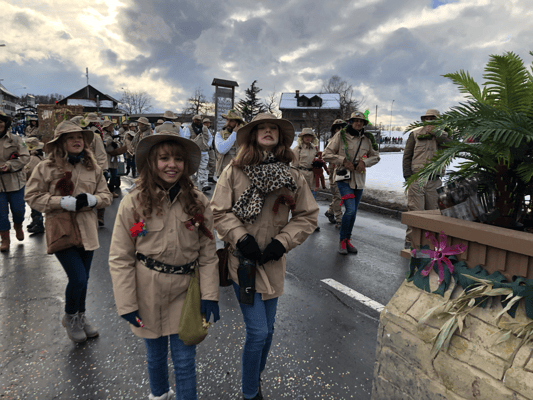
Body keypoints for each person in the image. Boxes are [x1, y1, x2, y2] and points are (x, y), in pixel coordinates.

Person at [210, 113, 318, 400]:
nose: (268, 132)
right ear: (253, 136)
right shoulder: (234, 171)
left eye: (274, 129)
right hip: (242, 264)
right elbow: (218, 211)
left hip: (272, 263)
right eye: (263, 128)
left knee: (268, 333)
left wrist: (283, 242)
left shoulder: (292, 175)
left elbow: (307, 215)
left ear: (280, 138)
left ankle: (254, 375)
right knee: (258, 332)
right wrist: (240, 236)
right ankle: (250, 393)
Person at [108, 133, 220, 400]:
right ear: (151, 162)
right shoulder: (133, 202)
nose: (172, 164)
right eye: (164, 158)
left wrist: (210, 295)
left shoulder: (197, 201)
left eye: (178, 159)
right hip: (148, 292)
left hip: (185, 292)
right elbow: (120, 257)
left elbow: (208, 253)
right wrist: (127, 304)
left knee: (184, 362)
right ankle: (159, 394)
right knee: (155, 356)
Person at [25, 120, 112, 342]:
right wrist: (60, 202)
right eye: (70, 138)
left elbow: (106, 196)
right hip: (61, 229)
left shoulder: (93, 167)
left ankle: (80, 317)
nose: (76, 141)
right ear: (60, 142)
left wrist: (93, 200)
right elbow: (32, 196)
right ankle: (70, 317)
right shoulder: (45, 167)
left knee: (84, 278)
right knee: (78, 278)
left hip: (87, 229)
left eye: (79, 137)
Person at [323, 111, 380, 255]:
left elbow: (376, 156)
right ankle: (342, 241)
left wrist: (364, 162)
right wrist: (343, 160)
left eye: (361, 121)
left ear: (364, 123)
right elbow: (326, 154)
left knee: (353, 212)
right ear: (350, 122)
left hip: (359, 180)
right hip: (343, 179)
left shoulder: (367, 139)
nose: (358, 123)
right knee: (350, 210)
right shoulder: (340, 135)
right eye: (355, 120)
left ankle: (348, 240)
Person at [403, 109, 451, 248]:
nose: (430, 121)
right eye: (427, 118)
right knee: (416, 211)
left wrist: (437, 133)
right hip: (417, 178)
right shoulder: (415, 134)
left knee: (432, 213)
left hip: (434, 180)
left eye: (433, 118)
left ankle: (428, 244)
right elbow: (407, 156)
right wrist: (408, 176)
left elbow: (450, 146)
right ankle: (410, 242)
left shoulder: (444, 135)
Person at [0, 112, 31, 252]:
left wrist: (9, 165)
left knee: (19, 210)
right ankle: (5, 239)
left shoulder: (16, 139)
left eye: (0, 121)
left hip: (15, 182)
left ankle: (18, 226)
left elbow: (25, 157)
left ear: (5, 123)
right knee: (1, 214)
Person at [291, 128, 320, 232]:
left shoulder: (315, 149)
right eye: (306, 136)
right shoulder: (297, 149)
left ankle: (313, 223)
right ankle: (298, 221)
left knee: (313, 201)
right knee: (300, 201)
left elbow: (319, 159)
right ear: (302, 137)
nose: (308, 138)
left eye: (310, 136)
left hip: (312, 176)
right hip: (301, 175)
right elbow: (294, 166)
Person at [324, 119, 346, 229]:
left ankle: (330, 211)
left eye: (343, 127)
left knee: (341, 195)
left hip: (346, 171)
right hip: (334, 170)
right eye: (338, 128)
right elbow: (326, 156)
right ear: (334, 130)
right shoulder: (331, 141)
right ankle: (339, 219)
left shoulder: (347, 141)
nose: (340, 130)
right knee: (337, 195)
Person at [23, 137, 46, 234]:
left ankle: (38, 223)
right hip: (40, 184)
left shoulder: (32, 159)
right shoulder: (40, 156)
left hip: (35, 185)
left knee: (35, 205)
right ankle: (35, 222)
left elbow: (27, 171)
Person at [214, 109, 244, 178]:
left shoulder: (243, 136)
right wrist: (234, 134)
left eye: (232, 121)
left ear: (238, 124)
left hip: (239, 174)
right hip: (223, 174)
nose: (228, 123)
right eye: (227, 120)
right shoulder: (219, 134)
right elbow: (222, 149)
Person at [102, 120, 126, 199]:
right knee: (105, 176)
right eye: (110, 126)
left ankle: (111, 190)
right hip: (106, 157)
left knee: (114, 175)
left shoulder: (113, 134)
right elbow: (103, 145)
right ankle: (104, 192)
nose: (112, 127)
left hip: (113, 157)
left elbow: (117, 142)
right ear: (106, 127)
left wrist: (117, 144)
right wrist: (110, 140)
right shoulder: (102, 134)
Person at [189, 115, 211, 192]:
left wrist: (207, 145)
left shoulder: (205, 128)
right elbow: (186, 138)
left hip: (204, 151)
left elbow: (210, 137)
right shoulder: (189, 128)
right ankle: (194, 185)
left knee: (203, 168)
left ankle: (204, 185)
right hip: (193, 152)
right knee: (194, 169)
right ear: (193, 120)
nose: (198, 121)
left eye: (199, 120)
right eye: (197, 120)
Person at [203, 118, 217, 183]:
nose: (207, 124)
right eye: (206, 123)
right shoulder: (201, 130)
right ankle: (202, 178)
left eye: (208, 123)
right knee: (203, 164)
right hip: (204, 149)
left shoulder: (210, 130)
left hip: (211, 148)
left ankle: (210, 177)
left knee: (213, 162)